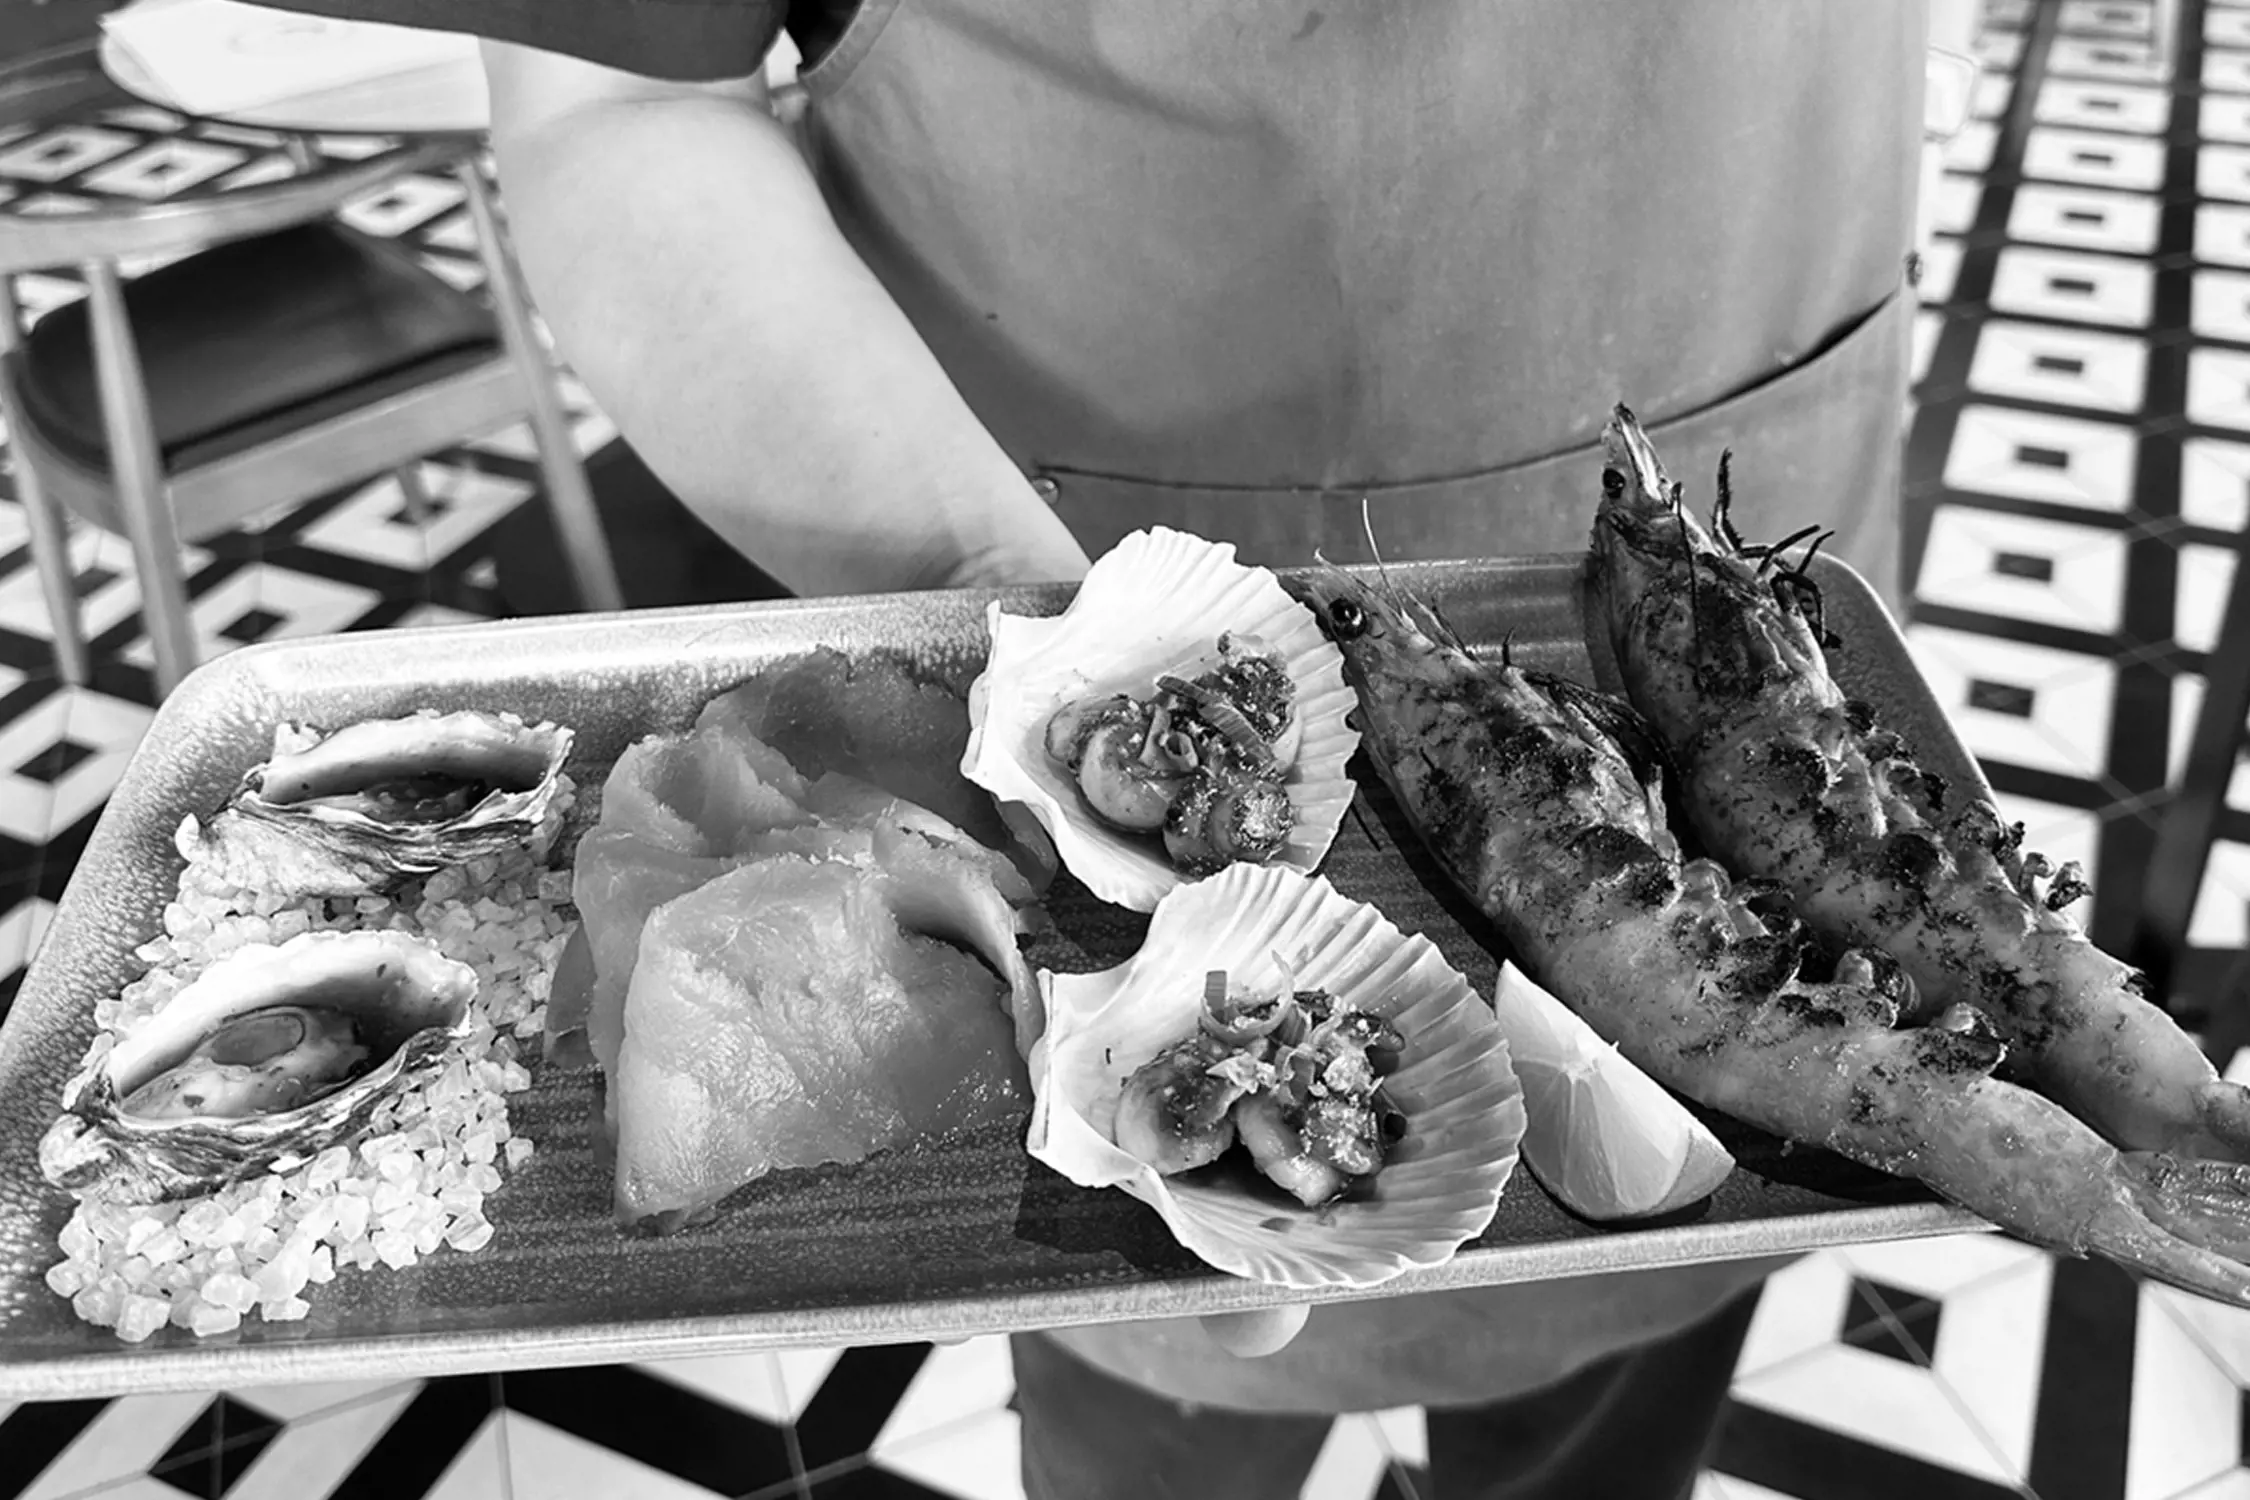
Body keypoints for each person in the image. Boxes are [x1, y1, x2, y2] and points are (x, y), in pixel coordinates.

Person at [254, 3, 1938, 1495]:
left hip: (1721, 590)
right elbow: (610, 101)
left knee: (1622, 1365)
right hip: (1036, 517)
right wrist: (1019, 604)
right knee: (1162, 1427)